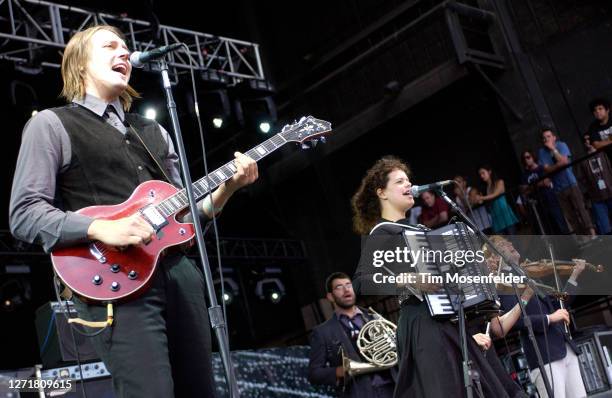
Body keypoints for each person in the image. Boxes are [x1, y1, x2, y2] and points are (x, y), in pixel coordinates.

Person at [9, 25, 258, 397]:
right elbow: (24, 214)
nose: (124, 53)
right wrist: (99, 229)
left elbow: (185, 222)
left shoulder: (154, 130)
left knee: (201, 390)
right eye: (110, 46)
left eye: (126, 48)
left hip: (180, 276)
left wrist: (227, 190)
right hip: (115, 282)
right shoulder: (51, 124)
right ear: (79, 65)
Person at [351, 156, 515, 398]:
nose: (408, 185)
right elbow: (361, 283)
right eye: (399, 181)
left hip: (449, 322)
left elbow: (450, 282)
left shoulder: (420, 231)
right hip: (421, 323)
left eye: (408, 180)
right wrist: (407, 279)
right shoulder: (383, 232)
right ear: (382, 193)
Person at [487, 238, 587, 398]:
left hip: (564, 346)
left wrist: (574, 277)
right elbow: (518, 321)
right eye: (503, 245)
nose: (511, 245)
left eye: (509, 243)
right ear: (496, 257)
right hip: (544, 353)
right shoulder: (502, 283)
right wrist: (550, 318)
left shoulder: (527, 276)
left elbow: (556, 306)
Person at [308, 272, 397, 398]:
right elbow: (314, 374)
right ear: (330, 297)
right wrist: (338, 371)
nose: (346, 290)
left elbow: (397, 349)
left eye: (349, 285)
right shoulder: (323, 332)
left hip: (394, 388)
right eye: (339, 287)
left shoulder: (374, 317)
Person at [538, 129, 595, 236]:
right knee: (570, 216)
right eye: (544, 138)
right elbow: (547, 170)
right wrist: (558, 165)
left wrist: (553, 149)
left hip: (570, 183)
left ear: (554, 137)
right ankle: (582, 239)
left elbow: (564, 162)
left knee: (581, 210)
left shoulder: (561, 145)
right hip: (558, 188)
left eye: (548, 136)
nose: (546, 139)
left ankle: (593, 234)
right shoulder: (541, 152)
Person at [519, 150, 569, 234]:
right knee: (549, 230)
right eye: (524, 159)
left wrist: (531, 186)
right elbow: (524, 190)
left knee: (560, 225)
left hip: (550, 200)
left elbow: (547, 182)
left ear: (533, 157)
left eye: (528, 157)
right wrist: (539, 184)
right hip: (539, 205)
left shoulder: (541, 168)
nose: (526, 160)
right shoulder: (525, 175)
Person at [577, 139, 612, 234]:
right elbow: (581, 179)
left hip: (610, 192)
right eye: (585, 141)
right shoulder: (583, 161)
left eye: (590, 140)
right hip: (597, 198)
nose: (588, 142)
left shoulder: (603, 154)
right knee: (605, 228)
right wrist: (588, 192)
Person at [475, 165, 519, 234]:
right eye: (480, 174)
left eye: (483, 173)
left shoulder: (499, 182)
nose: (481, 176)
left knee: (514, 239)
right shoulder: (486, 188)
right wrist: (480, 200)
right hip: (496, 217)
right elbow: (487, 201)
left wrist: (481, 198)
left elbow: (495, 194)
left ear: (489, 172)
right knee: (502, 243)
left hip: (505, 214)